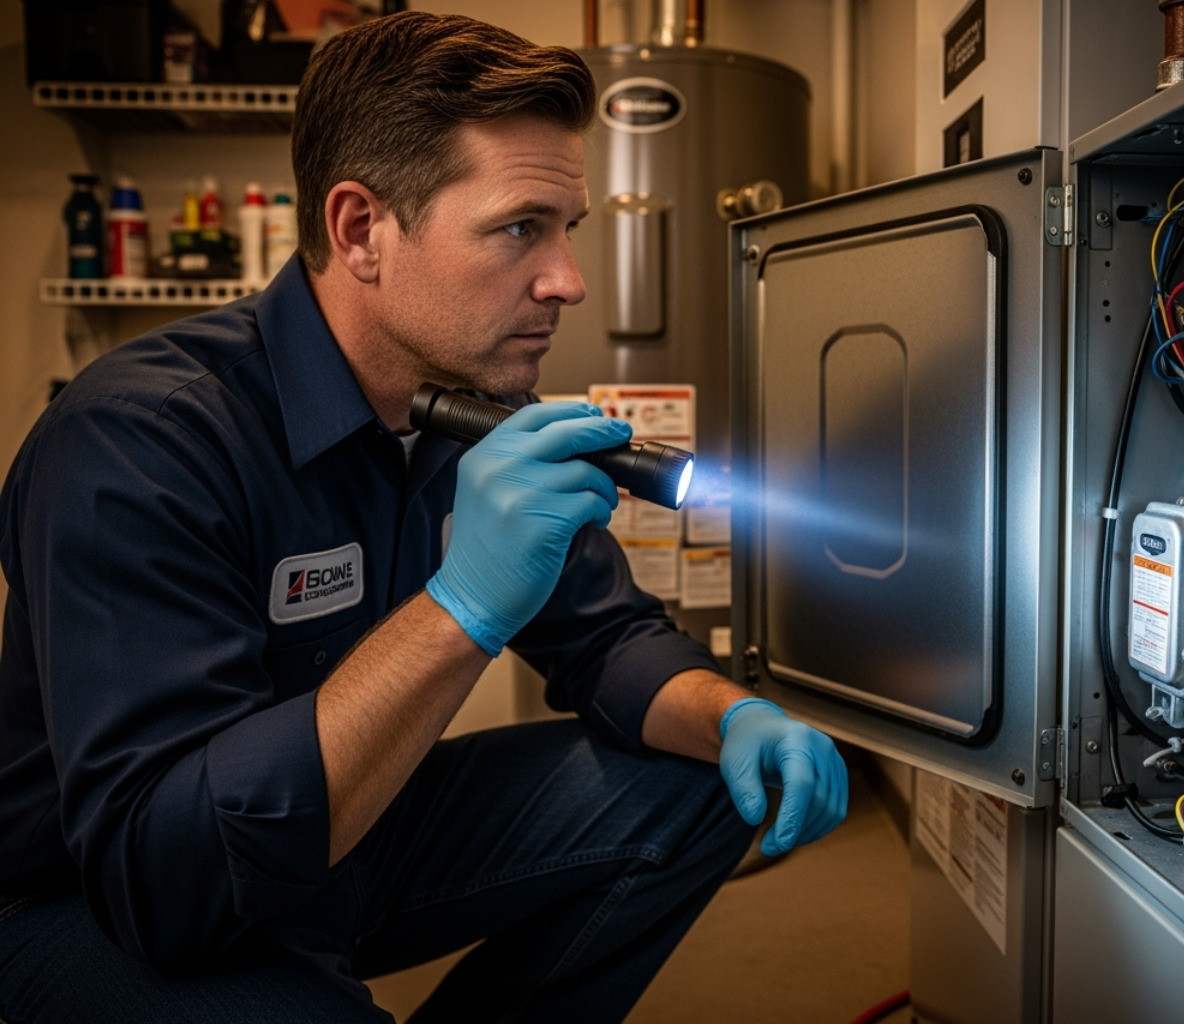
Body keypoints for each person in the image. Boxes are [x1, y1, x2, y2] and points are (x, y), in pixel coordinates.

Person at [0, 12, 847, 1023]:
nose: (568, 279)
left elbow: (605, 635)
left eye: (568, 227)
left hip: (349, 833)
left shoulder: (470, 407)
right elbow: (168, 884)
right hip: (100, 898)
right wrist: (462, 607)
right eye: (520, 226)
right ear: (361, 229)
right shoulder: (139, 443)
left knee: (702, 779)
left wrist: (734, 713)